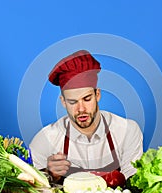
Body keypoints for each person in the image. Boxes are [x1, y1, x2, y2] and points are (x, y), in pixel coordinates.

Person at [29, 50, 143, 183]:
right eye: (73, 102)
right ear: (63, 102)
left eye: (87, 99)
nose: (81, 109)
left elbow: (135, 183)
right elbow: (34, 190)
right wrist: (49, 175)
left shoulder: (127, 131)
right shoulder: (44, 140)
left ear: (97, 95)